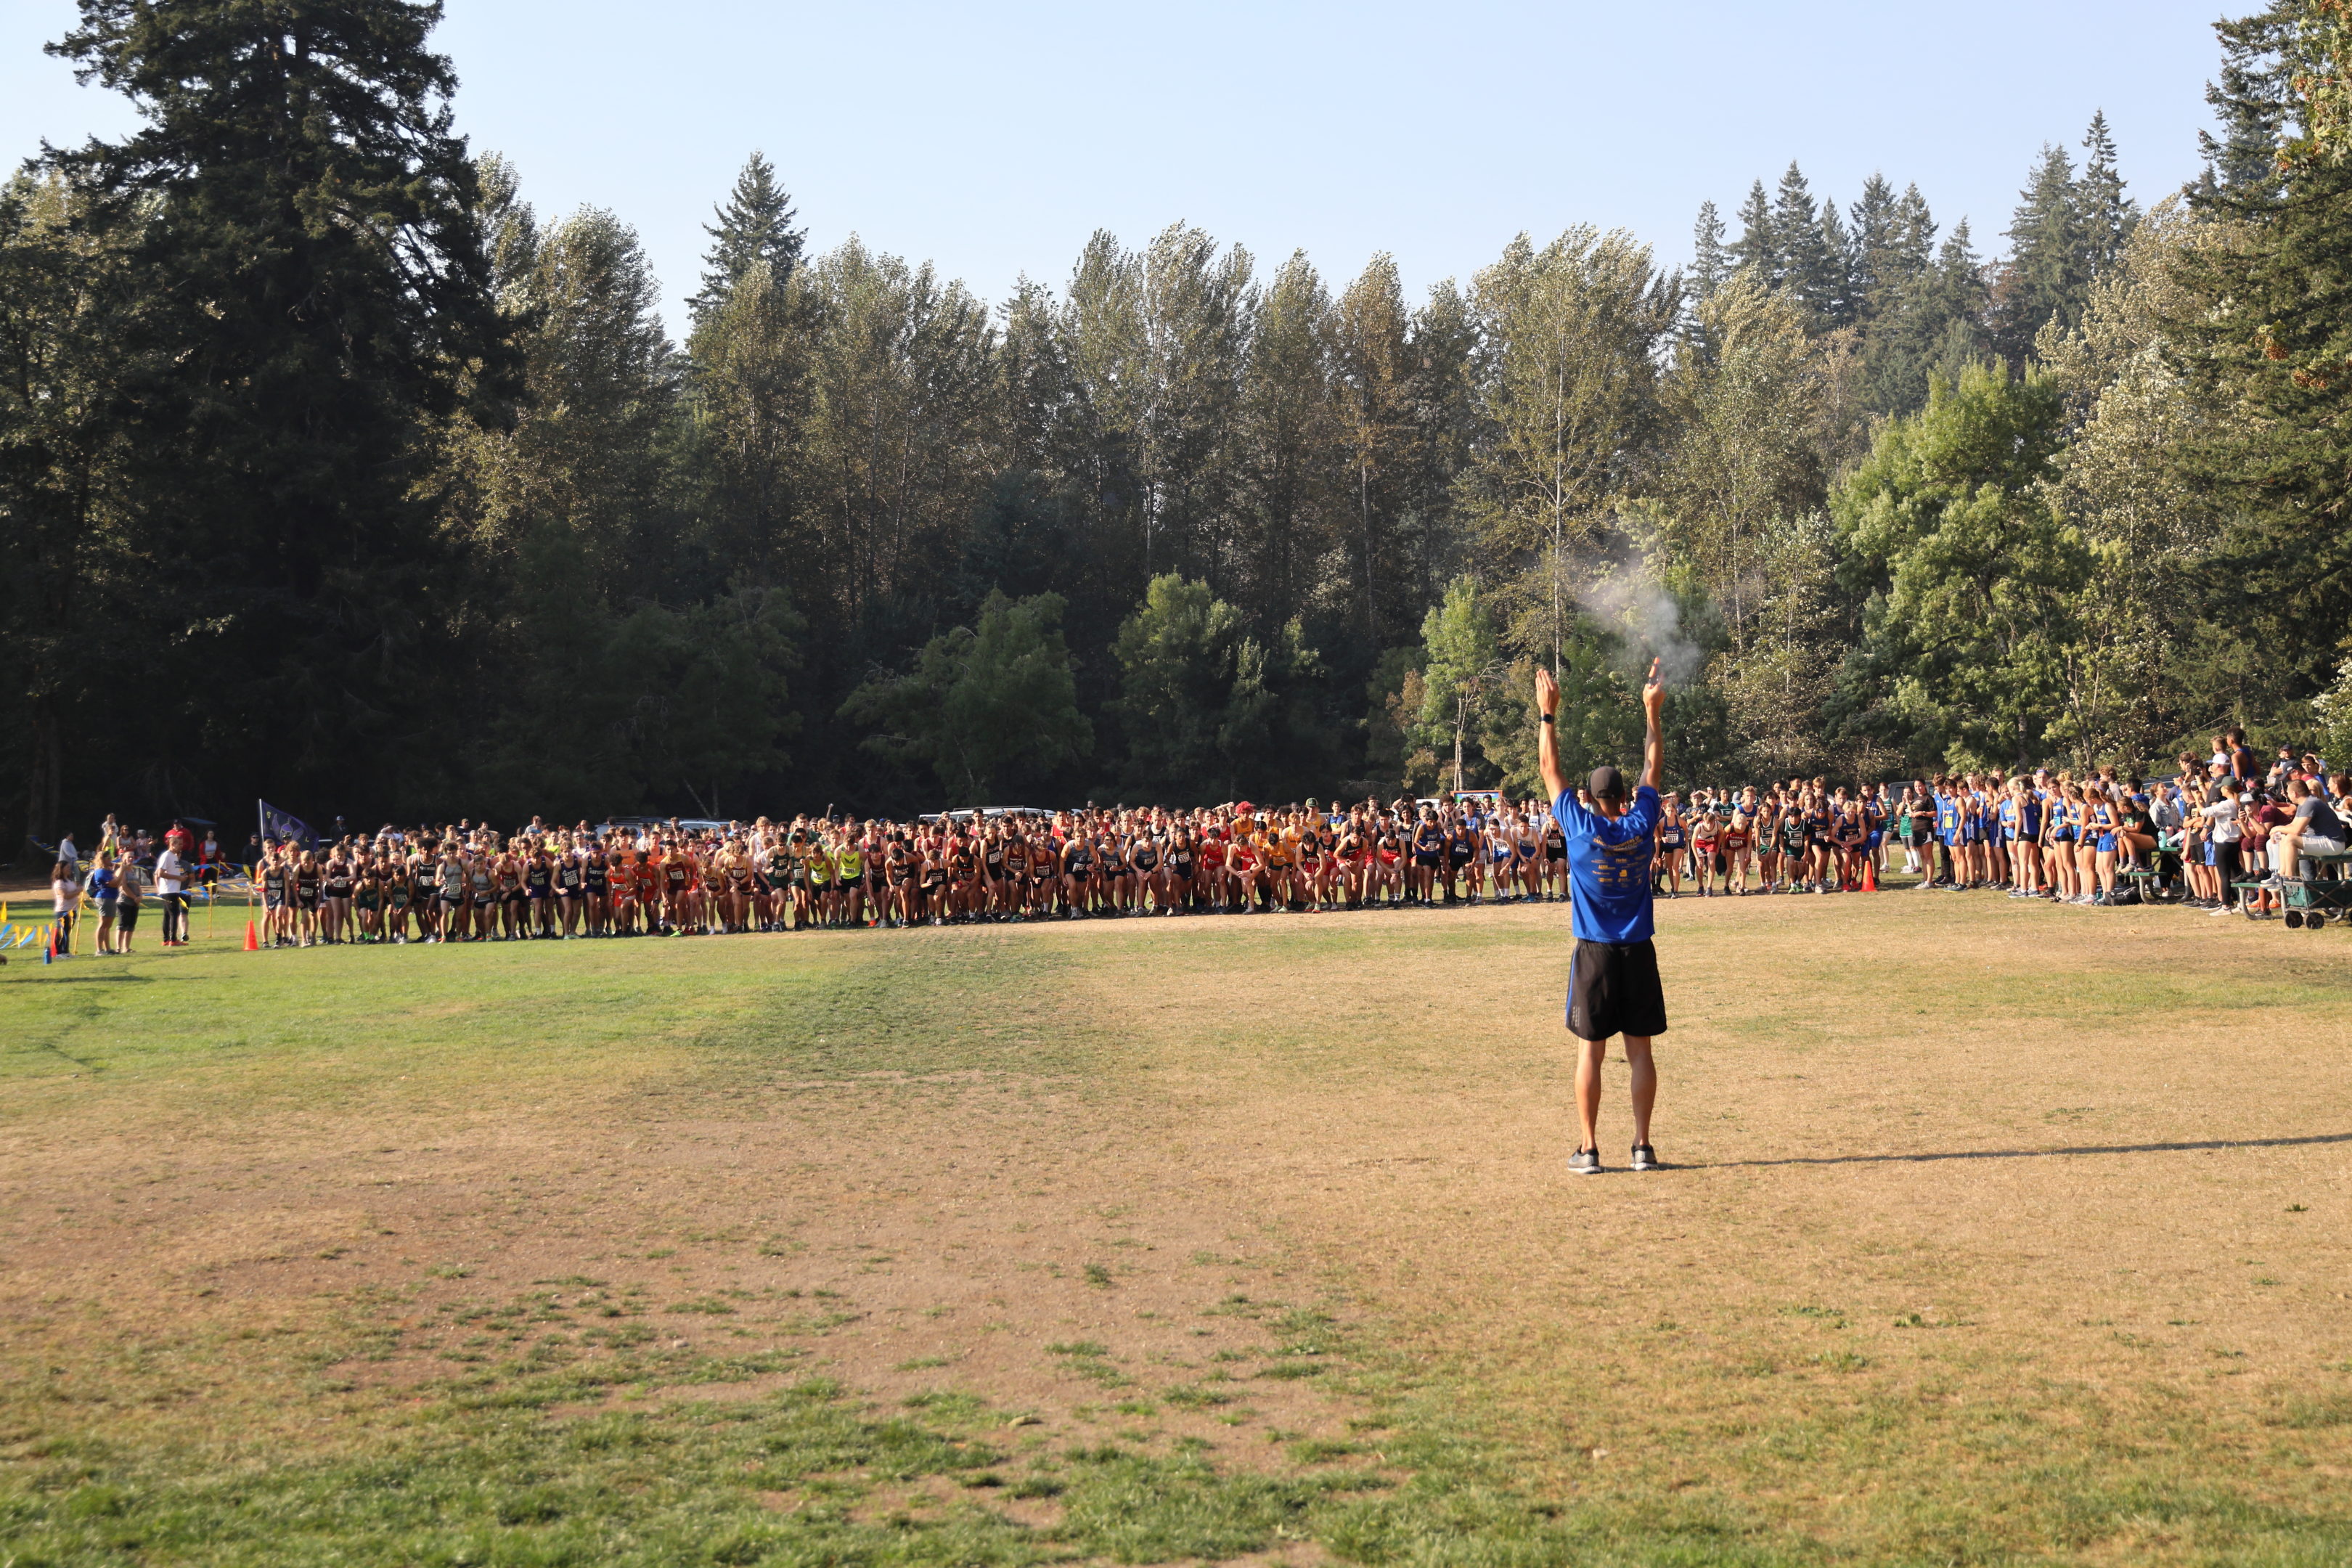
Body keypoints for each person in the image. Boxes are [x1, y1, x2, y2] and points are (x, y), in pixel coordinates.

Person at [1538, 656, 1668, 1177]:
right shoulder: (1641, 822)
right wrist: (1651, 712)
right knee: (1640, 1054)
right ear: (1624, 798)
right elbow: (1652, 769)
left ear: (1591, 799)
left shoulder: (1576, 824)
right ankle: (1641, 1148)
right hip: (1638, 951)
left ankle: (1589, 1150)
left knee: (1589, 1056)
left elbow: (1550, 770)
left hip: (1594, 953)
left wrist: (1548, 715)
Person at [154, 840, 190, 947]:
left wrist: (181, 877)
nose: (181, 847)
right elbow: (160, 873)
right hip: (168, 890)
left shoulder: (174, 856)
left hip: (174, 889)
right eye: (179, 844)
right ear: (172, 844)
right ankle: (173, 940)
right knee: (174, 914)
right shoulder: (166, 856)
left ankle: (166, 940)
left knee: (167, 915)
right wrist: (178, 878)